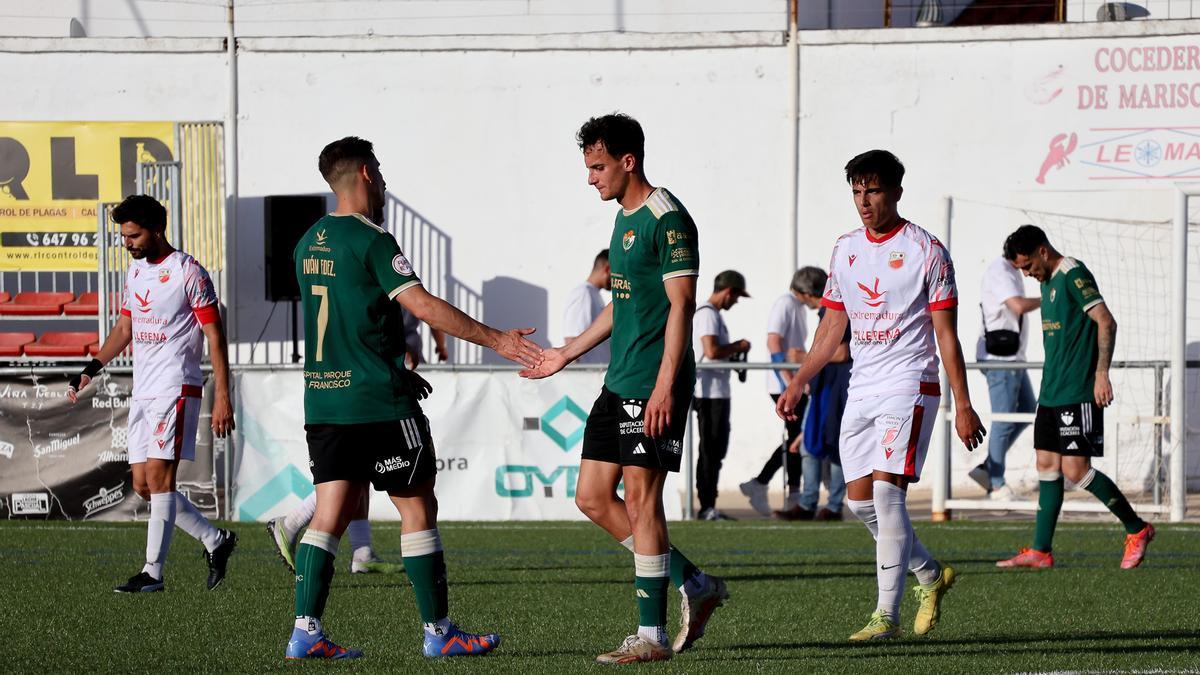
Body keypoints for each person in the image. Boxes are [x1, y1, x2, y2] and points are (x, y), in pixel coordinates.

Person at [284, 136, 543, 660]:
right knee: (417, 507)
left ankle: (305, 632)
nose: (382, 177)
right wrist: (499, 340)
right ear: (365, 174)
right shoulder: (372, 239)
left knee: (328, 514)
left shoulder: (307, 241)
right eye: (378, 168)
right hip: (378, 403)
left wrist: (393, 358)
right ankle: (439, 632)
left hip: (325, 401)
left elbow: (352, 317)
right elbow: (421, 304)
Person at [521, 113, 728, 664]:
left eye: (597, 167)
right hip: (619, 382)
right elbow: (624, 302)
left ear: (627, 161)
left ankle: (652, 637)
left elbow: (682, 304)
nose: (591, 178)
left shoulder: (668, 218)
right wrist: (567, 351)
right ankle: (695, 583)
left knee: (641, 499)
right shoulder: (622, 220)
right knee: (591, 497)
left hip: (654, 382)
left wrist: (664, 388)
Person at [776, 149, 986, 641]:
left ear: (895, 191)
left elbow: (946, 335)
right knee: (860, 503)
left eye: (872, 190)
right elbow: (831, 325)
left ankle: (884, 616)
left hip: (910, 383)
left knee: (890, 495)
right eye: (856, 190)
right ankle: (930, 575)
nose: (863, 200)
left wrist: (964, 403)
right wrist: (800, 379)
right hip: (863, 385)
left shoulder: (927, 251)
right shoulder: (845, 249)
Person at [67, 194, 238, 593]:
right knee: (144, 485)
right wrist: (91, 369)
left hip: (175, 387)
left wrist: (222, 395)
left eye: (134, 235)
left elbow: (215, 335)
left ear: (157, 230)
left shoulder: (188, 271)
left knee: (161, 481)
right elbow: (125, 329)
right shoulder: (136, 272)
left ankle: (152, 574)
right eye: (124, 236)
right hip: (144, 390)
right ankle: (216, 540)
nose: (127, 243)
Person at [996, 225, 1155, 570]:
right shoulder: (1047, 283)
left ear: (1042, 250)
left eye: (1027, 266)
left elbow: (1106, 321)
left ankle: (1137, 529)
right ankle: (1040, 550)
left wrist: (1101, 374)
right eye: (1021, 269)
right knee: (1047, 466)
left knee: (1077, 470)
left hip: (1077, 393)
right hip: (1051, 393)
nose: (1027, 273)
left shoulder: (1072, 273)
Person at [740, 267, 821, 518]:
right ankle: (773, 487)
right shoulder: (784, 304)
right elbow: (773, 343)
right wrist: (788, 381)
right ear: (807, 292)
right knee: (797, 437)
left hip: (793, 381)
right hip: (783, 384)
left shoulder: (796, 307)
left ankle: (771, 486)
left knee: (796, 436)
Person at [970, 251, 1040, 501]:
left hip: (1013, 359)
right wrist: (1048, 299)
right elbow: (1018, 306)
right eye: (1028, 262)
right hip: (1000, 359)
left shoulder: (1009, 271)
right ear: (1020, 253)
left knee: (1028, 411)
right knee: (1003, 420)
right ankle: (996, 484)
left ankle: (989, 468)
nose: (1029, 270)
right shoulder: (1001, 271)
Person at [692, 269, 751, 521]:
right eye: (736, 296)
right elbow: (711, 351)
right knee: (710, 449)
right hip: (708, 393)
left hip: (716, 392)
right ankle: (706, 506)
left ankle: (709, 504)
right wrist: (739, 346)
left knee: (715, 449)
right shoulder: (707, 314)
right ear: (728, 291)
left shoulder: (712, 315)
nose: (736, 301)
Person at [790, 301, 854, 521]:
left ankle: (833, 506)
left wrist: (802, 359)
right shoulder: (828, 309)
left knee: (836, 445)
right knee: (810, 445)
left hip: (838, 389)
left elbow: (842, 352)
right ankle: (809, 502)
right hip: (822, 387)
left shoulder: (837, 307)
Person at [563, 249, 611, 364]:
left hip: (595, 375)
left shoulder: (593, 294)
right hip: (588, 378)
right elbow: (571, 340)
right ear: (607, 269)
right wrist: (580, 378)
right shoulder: (583, 294)